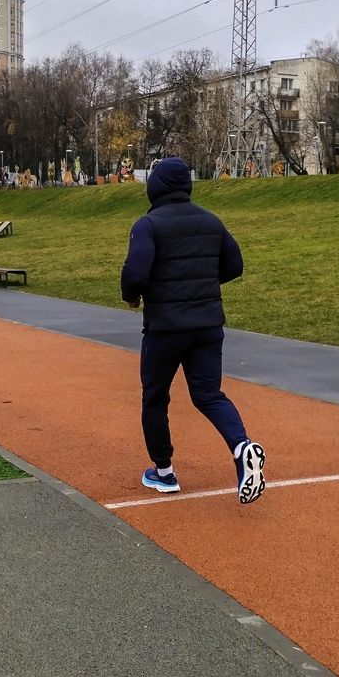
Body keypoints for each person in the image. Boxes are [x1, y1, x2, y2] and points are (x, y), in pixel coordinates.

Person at [120, 157, 265, 505]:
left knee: (155, 397)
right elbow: (235, 264)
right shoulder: (211, 221)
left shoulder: (149, 224)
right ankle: (242, 446)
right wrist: (199, 284)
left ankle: (164, 472)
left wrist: (132, 297)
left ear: (156, 186)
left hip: (165, 328)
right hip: (207, 325)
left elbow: (136, 272)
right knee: (209, 395)